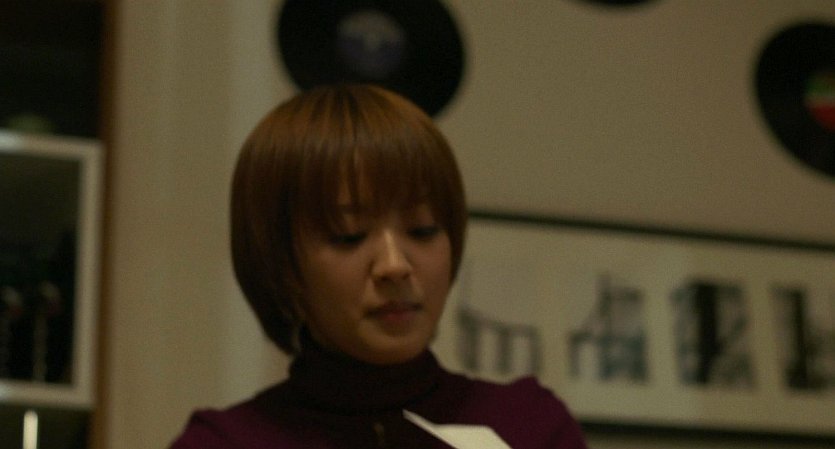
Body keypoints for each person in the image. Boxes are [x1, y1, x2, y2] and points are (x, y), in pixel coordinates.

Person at [169, 84, 588, 449]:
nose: (394, 265)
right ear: (281, 265)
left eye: (423, 230)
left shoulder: (530, 426)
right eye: (348, 235)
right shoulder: (224, 442)